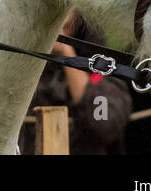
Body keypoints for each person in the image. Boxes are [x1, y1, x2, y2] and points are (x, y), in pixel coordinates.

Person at [19, 11, 133, 154]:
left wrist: (66, 52)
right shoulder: (19, 69)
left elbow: (104, 124)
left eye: (65, 10)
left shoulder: (102, 73)